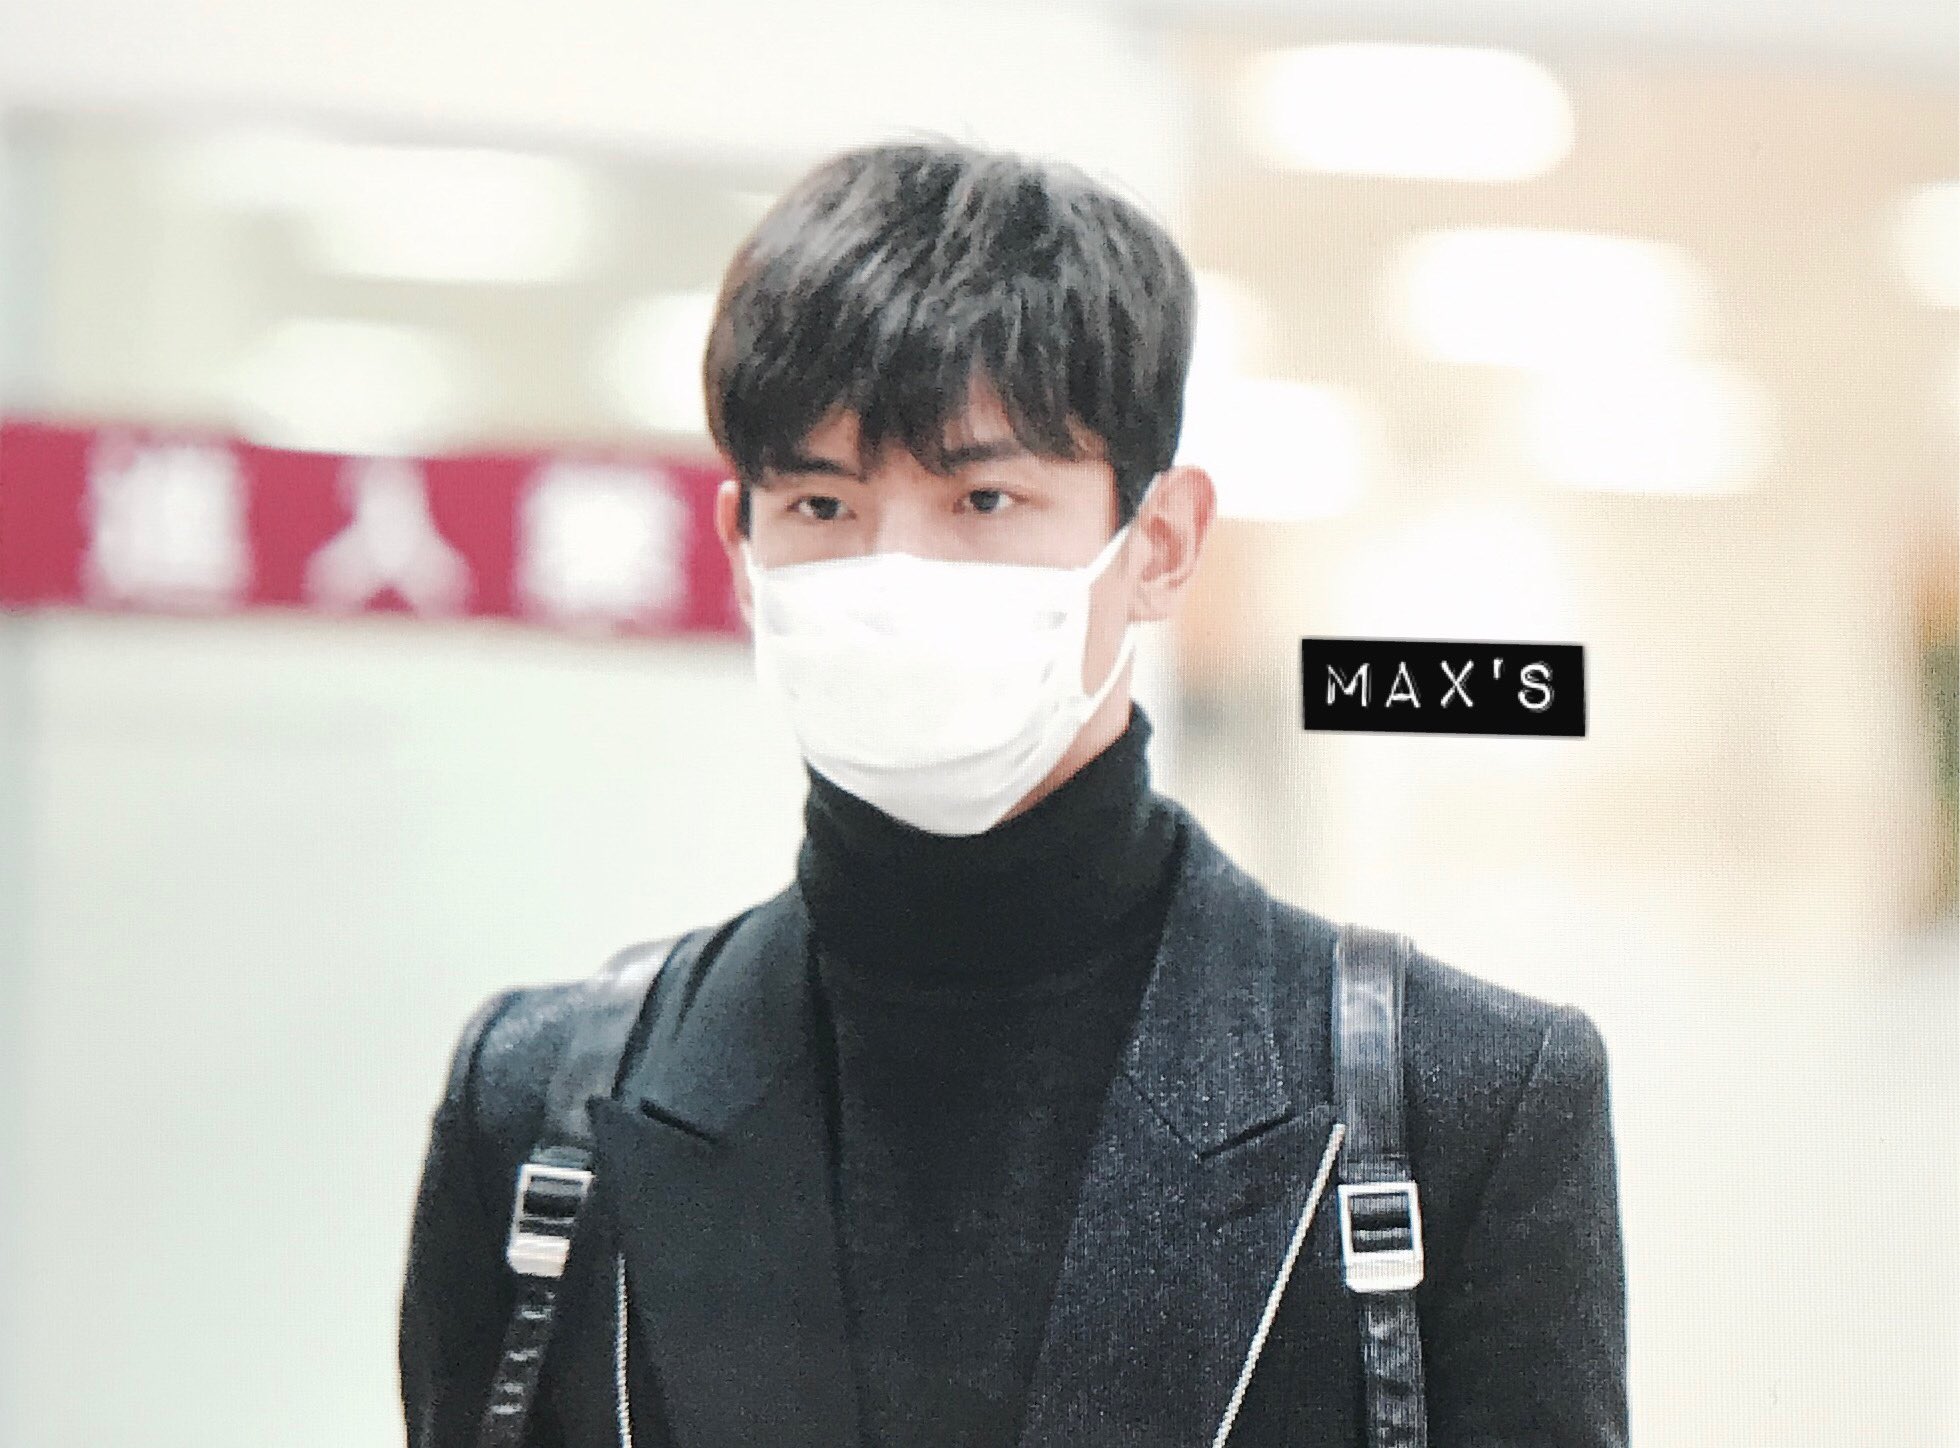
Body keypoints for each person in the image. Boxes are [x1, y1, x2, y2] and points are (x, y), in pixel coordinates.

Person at [398, 140, 1629, 1448]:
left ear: (1161, 544)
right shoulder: (538, 1101)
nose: (892, 575)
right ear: (742, 551)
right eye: (820, 504)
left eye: (983, 497)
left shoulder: (1461, 1105)